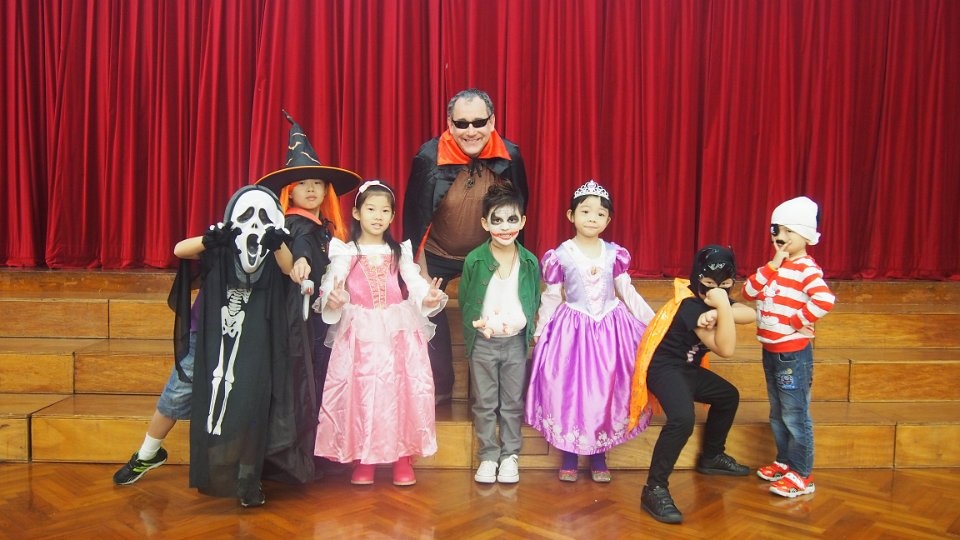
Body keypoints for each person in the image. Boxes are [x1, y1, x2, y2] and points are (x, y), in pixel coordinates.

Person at [314, 180, 448, 486]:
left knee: (402, 392)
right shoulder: (346, 252)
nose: (378, 216)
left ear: (392, 216)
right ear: (357, 213)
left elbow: (414, 283)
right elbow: (333, 285)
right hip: (360, 333)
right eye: (371, 209)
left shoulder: (398, 251)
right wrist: (334, 298)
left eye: (385, 211)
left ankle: (403, 458)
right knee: (362, 394)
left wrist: (427, 297)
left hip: (396, 332)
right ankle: (365, 459)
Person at [403, 88, 529, 404]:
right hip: (436, 253)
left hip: (487, 253)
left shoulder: (510, 156)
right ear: (449, 123)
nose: (470, 131)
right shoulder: (428, 157)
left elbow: (518, 214)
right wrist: (420, 276)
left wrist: (508, 271)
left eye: (478, 122)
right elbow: (415, 219)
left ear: (492, 121)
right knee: (424, 304)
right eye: (461, 124)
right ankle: (440, 387)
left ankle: (486, 393)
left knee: (497, 311)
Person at [525, 180, 655, 484]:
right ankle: (570, 454)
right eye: (585, 211)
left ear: (608, 220)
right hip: (573, 332)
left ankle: (599, 455)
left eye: (600, 214)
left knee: (607, 389)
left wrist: (652, 322)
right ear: (571, 215)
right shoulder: (561, 255)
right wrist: (541, 329)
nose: (592, 218)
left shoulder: (614, 254)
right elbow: (552, 296)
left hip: (611, 330)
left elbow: (626, 291)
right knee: (569, 390)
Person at [256, 111, 361, 481]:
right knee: (304, 383)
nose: (312, 189)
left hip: (315, 319)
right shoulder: (296, 225)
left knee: (316, 381)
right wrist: (300, 262)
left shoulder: (322, 227)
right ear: (290, 191)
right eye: (303, 184)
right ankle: (299, 458)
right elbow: (298, 252)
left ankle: (315, 453)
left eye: (318, 183)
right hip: (299, 322)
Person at [628, 245, 756, 524]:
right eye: (708, 283)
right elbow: (725, 348)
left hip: (686, 369)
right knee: (682, 419)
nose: (714, 292)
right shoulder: (690, 305)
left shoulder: (715, 302)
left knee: (727, 396)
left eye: (724, 286)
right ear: (697, 277)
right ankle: (654, 488)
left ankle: (712, 456)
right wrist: (722, 307)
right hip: (664, 369)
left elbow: (751, 314)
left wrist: (722, 311)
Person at [741, 196, 835, 498]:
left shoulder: (806, 268)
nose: (780, 237)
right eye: (776, 230)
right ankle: (784, 462)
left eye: (788, 231)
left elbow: (824, 300)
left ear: (805, 235)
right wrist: (772, 266)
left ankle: (802, 474)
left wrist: (796, 321)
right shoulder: (774, 267)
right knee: (778, 412)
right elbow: (748, 292)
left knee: (795, 414)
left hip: (792, 354)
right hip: (771, 352)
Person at [458, 182, 540, 484]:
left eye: (512, 219)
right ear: (485, 223)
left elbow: (534, 299)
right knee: (484, 402)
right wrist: (476, 325)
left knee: (512, 402)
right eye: (497, 220)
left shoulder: (529, 262)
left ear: (523, 221)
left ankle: (509, 456)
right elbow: (466, 299)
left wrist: (530, 331)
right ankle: (488, 456)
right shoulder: (475, 260)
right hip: (484, 343)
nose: (505, 227)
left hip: (516, 343)